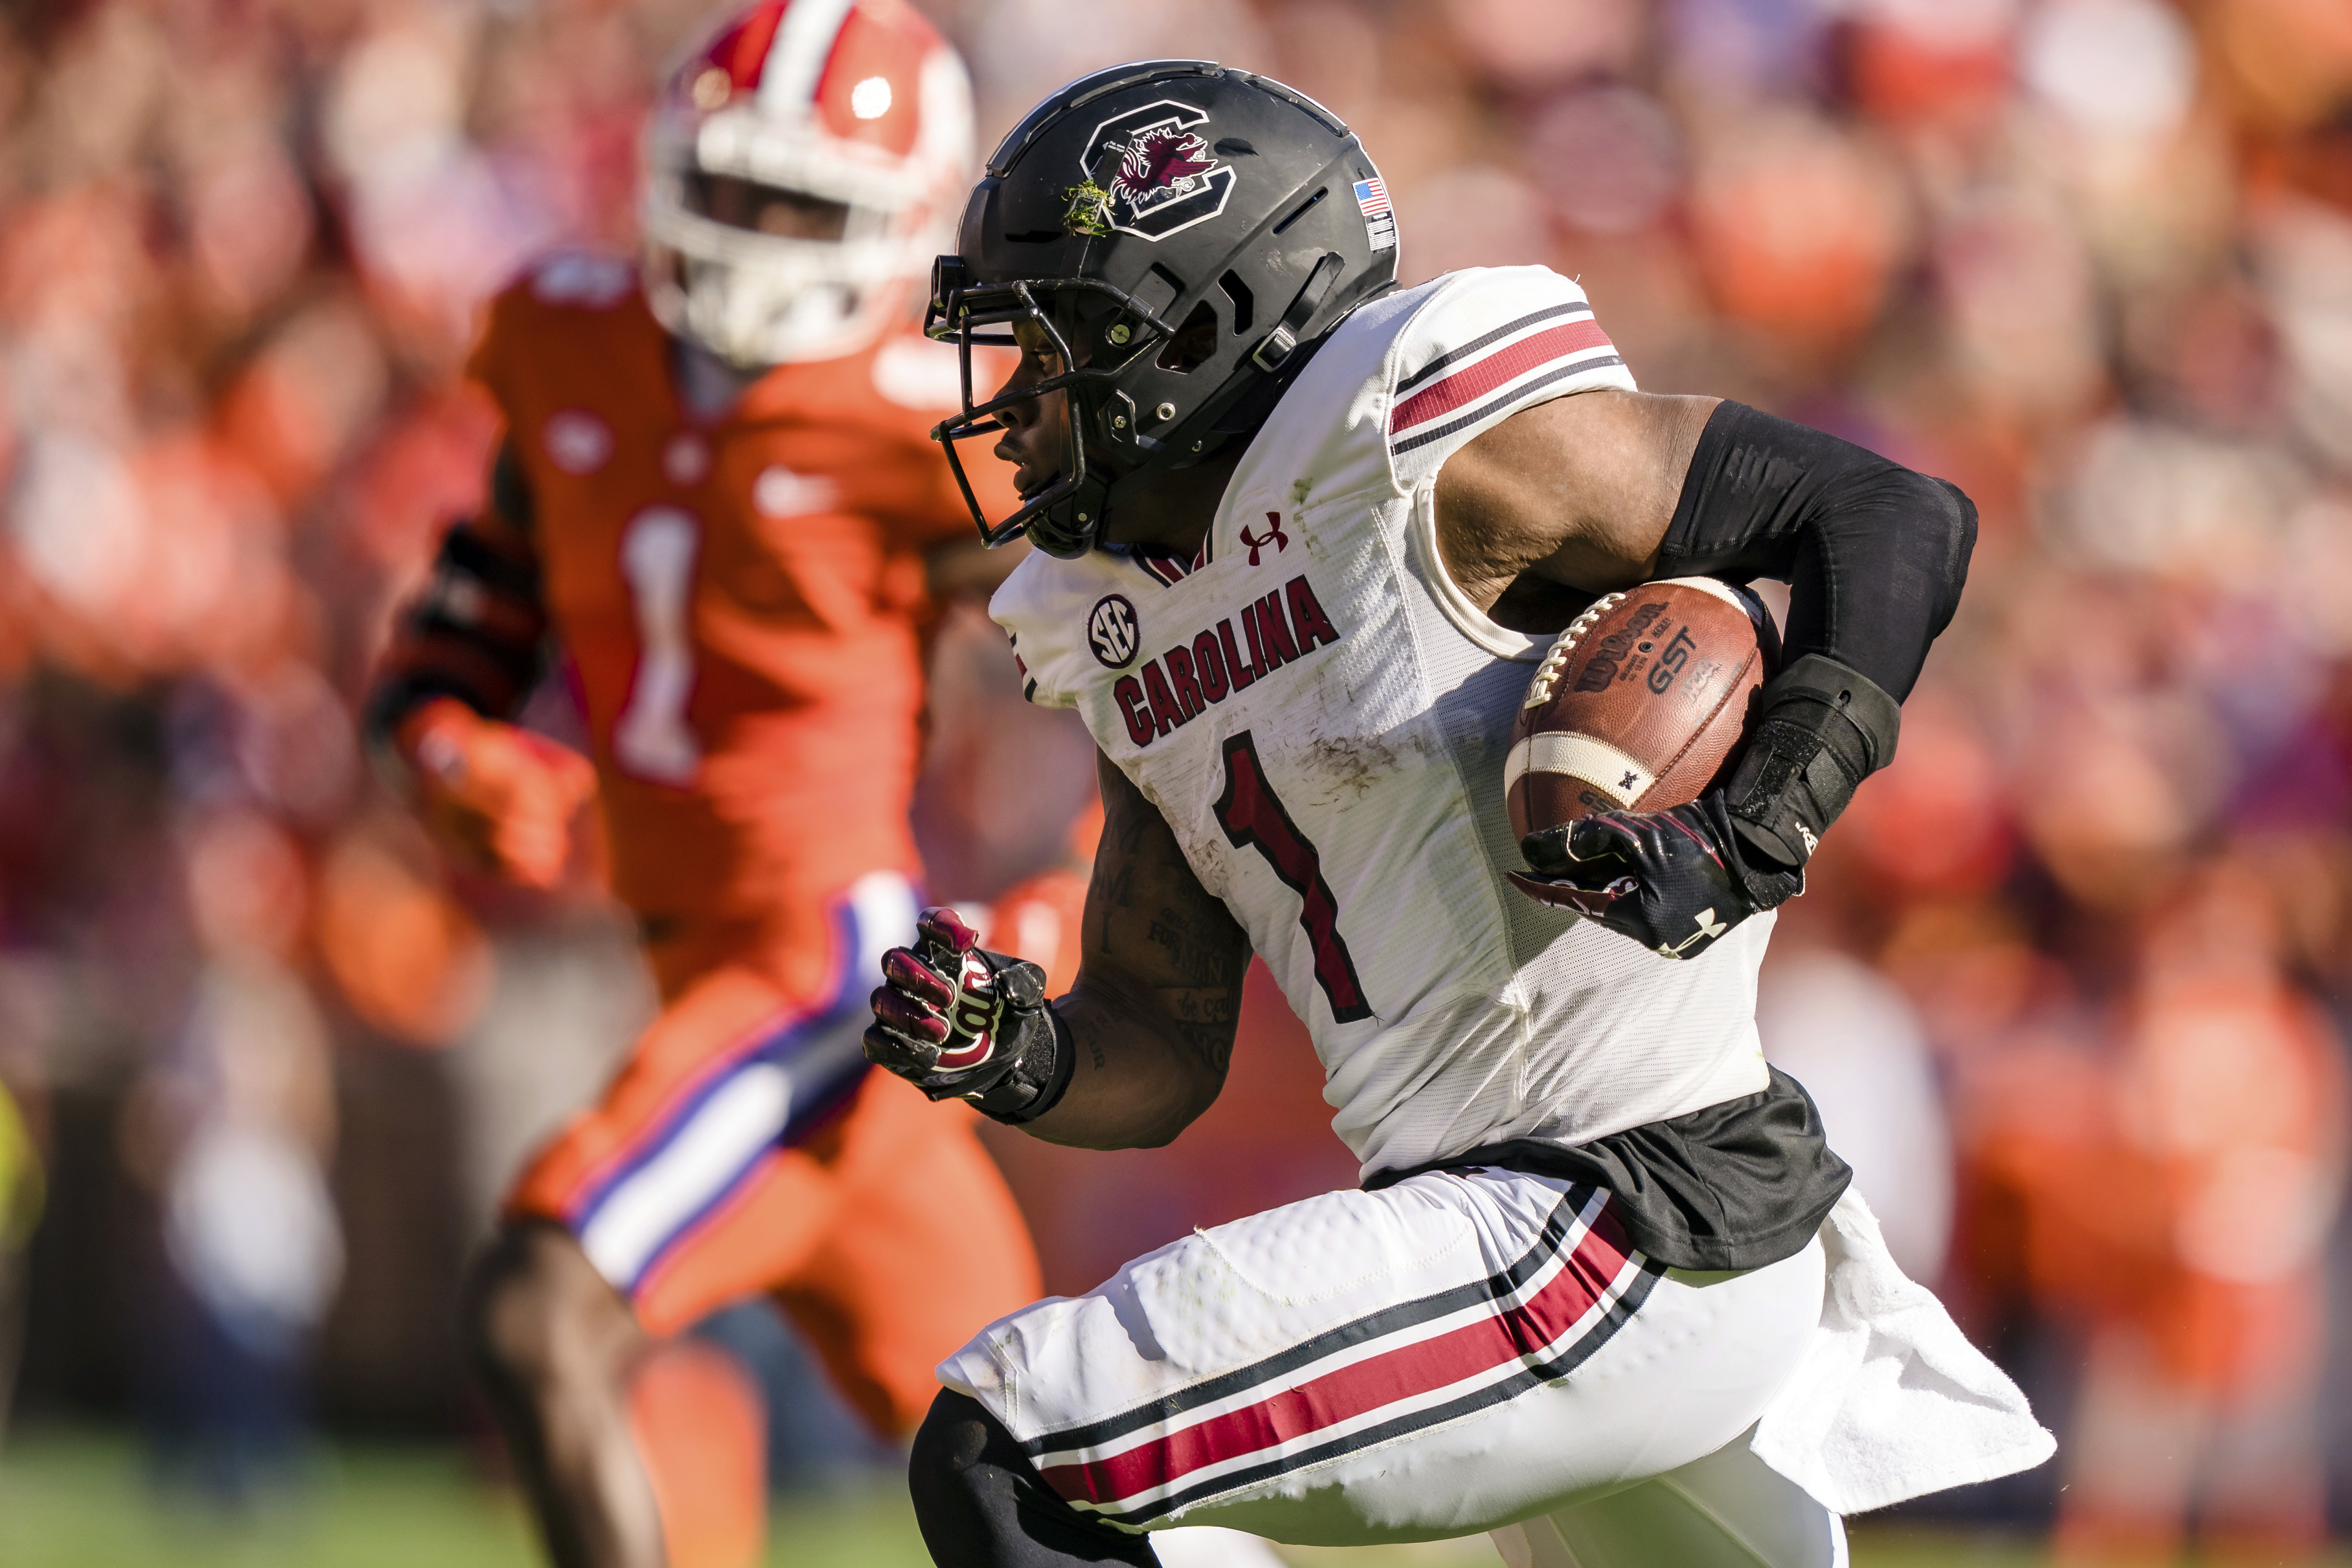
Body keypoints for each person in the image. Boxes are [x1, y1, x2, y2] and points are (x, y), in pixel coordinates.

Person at [864, 61, 2055, 1568]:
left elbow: (1889, 516)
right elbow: (1158, 1041)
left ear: (1204, 320)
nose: (1011, 402)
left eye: (1054, 346)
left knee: (1015, 1440)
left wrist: (1753, 826)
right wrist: (1020, 1052)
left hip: (1625, 1210)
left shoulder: (1412, 439)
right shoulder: (1101, 618)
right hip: (1497, 1232)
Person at [365, 4, 1045, 1564]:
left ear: (900, 220)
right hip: (695, 966)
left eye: (800, 202)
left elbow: (1123, 672)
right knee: (1047, 1475)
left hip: (825, 971)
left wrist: (1071, 885)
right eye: (733, 186)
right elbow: (465, 623)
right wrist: (442, 748)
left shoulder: (931, 418)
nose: (750, 232)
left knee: (538, 1309)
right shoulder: (567, 337)